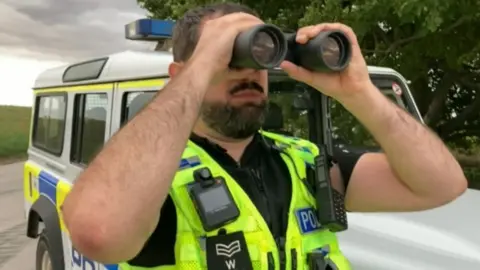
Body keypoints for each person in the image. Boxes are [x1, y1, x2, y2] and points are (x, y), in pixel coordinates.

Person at [62, 2, 468, 270]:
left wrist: (359, 92)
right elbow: (99, 233)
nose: (249, 71)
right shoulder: (154, 177)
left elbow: (442, 185)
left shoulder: (305, 161)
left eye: (260, 56)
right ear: (182, 74)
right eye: (230, 57)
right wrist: (201, 66)